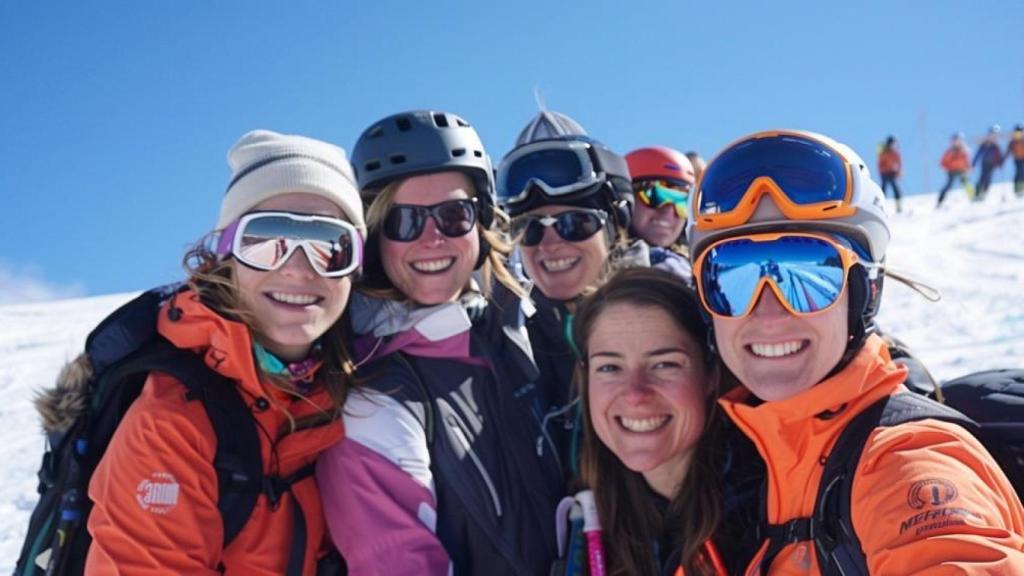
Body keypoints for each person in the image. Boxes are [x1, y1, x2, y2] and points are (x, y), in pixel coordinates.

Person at [687, 129, 1024, 573]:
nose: (767, 313)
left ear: (865, 292)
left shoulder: (907, 459)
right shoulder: (750, 466)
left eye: (809, 274)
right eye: (731, 278)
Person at [82, 130, 366, 574]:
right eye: (266, 240)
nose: (296, 268)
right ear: (226, 256)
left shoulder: (359, 391)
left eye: (329, 245)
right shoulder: (173, 422)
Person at [317, 110, 562, 575]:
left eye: (453, 215)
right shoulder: (375, 400)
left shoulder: (522, 334)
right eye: (405, 221)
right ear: (374, 238)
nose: (432, 238)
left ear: (481, 221)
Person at [495, 110, 638, 474]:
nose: (551, 244)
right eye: (529, 230)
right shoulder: (508, 346)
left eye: (575, 224)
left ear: (616, 226)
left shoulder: (671, 325)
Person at [573, 266, 727, 576]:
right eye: (609, 368)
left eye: (664, 364)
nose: (634, 394)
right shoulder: (586, 516)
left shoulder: (764, 515)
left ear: (711, 374)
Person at [626, 146, 696, 276]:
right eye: (655, 195)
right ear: (626, 199)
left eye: (682, 201)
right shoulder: (593, 264)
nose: (669, 211)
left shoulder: (699, 269)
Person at [937, 132, 973, 207]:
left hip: (961, 170)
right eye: (955, 140)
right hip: (952, 171)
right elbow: (943, 162)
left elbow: (967, 161)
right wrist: (947, 167)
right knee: (948, 185)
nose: (957, 142)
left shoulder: (964, 151)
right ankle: (940, 201)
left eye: (959, 140)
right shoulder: (950, 151)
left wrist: (968, 168)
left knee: (966, 183)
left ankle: (973, 197)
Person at [973, 125, 1005, 201]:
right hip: (984, 163)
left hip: (992, 164)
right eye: (992, 135)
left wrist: (1000, 163)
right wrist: (973, 163)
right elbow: (978, 154)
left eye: (995, 135)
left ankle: (984, 192)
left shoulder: (996, 146)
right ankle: (977, 193)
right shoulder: (984, 145)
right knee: (982, 177)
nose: (993, 137)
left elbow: (999, 155)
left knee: (988, 178)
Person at [877, 135, 903, 212]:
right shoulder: (884, 153)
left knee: (896, 189)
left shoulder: (895, 153)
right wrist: (883, 171)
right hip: (884, 174)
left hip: (891, 173)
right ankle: (880, 207)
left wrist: (898, 171)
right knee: (883, 190)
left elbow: (899, 163)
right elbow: (880, 164)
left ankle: (899, 207)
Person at [1007, 123, 1024, 197]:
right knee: (1019, 172)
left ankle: (1020, 188)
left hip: (1022, 157)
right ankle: (1017, 188)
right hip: (1017, 158)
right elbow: (1009, 149)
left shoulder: (1022, 139)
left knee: (1021, 172)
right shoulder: (1013, 140)